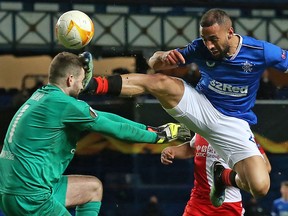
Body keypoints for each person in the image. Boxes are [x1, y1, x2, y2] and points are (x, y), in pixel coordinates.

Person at [83, 8, 288, 207]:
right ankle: (93, 84)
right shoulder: (199, 47)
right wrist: (162, 57)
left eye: (213, 39)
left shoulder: (260, 51)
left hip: (234, 122)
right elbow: (155, 63)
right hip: (201, 106)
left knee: (260, 186)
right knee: (160, 82)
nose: (208, 45)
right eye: (205, 39)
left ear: (230, 33)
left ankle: (223, 177)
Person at [0, 52, 190, 216]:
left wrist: (153, 129)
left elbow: (105, 118)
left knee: (92, 188)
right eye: (82, 81)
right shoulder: (64, 105)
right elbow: (117, 130)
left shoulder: (43, 96)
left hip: (14, 191)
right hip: (31, 197)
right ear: (70, 80)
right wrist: (159, 136)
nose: (83, 86)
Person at [161, 134, 271, 216]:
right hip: (198, 202)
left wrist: (226, 177)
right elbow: (191, 148)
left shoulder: (239, 133)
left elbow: (265, 167)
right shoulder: (202, 127)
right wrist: (173, 150)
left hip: (228, 205)